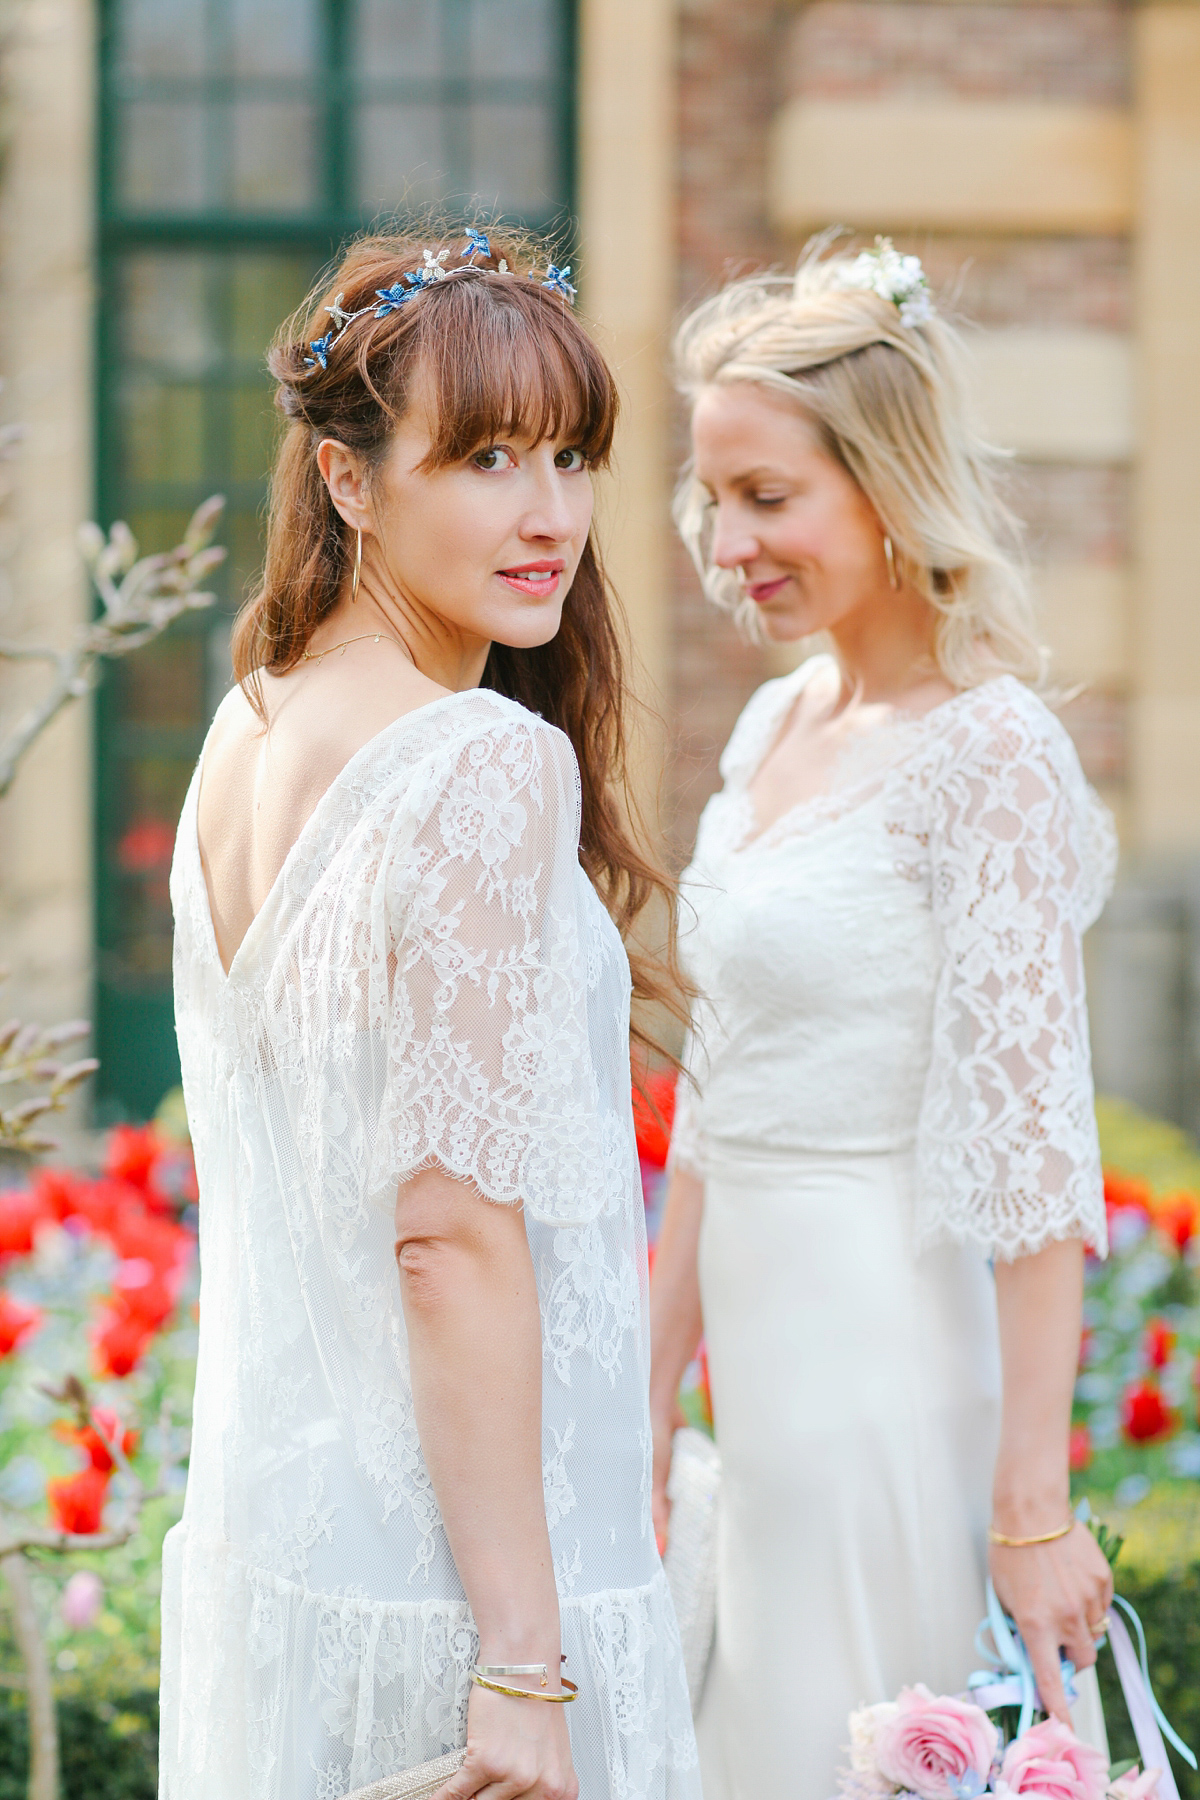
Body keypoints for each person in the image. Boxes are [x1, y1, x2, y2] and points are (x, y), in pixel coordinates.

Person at [160, 227, 700, 1800]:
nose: (550, 517)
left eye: (573, 457)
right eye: (484, 459)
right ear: (347, 480)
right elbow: (447, 1235)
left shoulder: (245, 725)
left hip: (292, 1561)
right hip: (465, 1604)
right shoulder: (474, 756)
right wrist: (526, 1665)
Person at [648, 240, 1117, 1800]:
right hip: (757, 1380)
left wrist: (1033, 1508)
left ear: (887, 484)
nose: (728, 544)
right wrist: (646, 1412)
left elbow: (1037, 1165)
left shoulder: (991, 757)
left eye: (767, 498)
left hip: (885, 1360)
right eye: (715, 500)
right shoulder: (776, 724)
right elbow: (715, 1102)